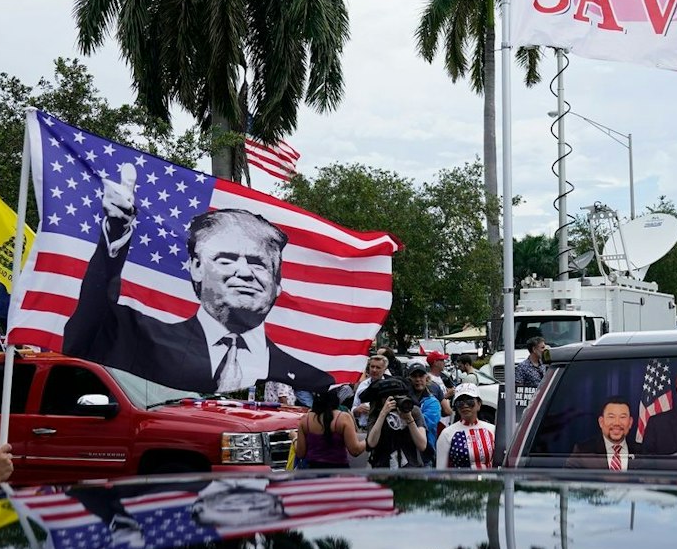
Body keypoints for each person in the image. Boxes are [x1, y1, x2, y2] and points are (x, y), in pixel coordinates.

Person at [64, 167, 332, 396]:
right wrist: (115, 234)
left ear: (277, 285)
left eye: (258, 263)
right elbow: (88, 329)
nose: (245, 273)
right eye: (226, 259)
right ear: (195, 268)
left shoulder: (305, 373)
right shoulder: (148, 341)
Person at [293, 386, 365, 470]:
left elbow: (300, 453)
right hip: (339, 474)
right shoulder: (343, 418)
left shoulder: (305, 420)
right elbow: (355, 450)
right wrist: (368, 441)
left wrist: (294, 437)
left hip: (312, 473)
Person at [566, 397, 636, 470]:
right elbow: (565, 479)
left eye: (622, 417)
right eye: (611, 417)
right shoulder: (583, 452)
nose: (617, 423)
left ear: (630, 422)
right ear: (601, 422)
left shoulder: (642, 452)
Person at [436, 385, 497, 469]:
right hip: (460, 481)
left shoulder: (492, 430)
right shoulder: (447, 434)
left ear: (479, 404)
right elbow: (441, 470)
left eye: (470, 401)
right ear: (456, 407)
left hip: (489, 481)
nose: (465, 405)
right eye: (460, 403)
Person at [365, 392, 430, 469]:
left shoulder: (413, 410)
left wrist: (409, 419)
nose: (395, 401)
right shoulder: (377, 412)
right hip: (383, 469)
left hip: (411, 469)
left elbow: (422, 445)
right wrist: (383, 414)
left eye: (399, 397)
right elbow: (371, 443)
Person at [405, 362, 444, 453]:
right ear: (409, 379)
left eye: (421, 376)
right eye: (414, 376)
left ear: (427, 378)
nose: (418, 379)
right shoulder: (404, 399)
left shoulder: (433, 402)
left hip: (425, 453)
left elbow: (426, 424)